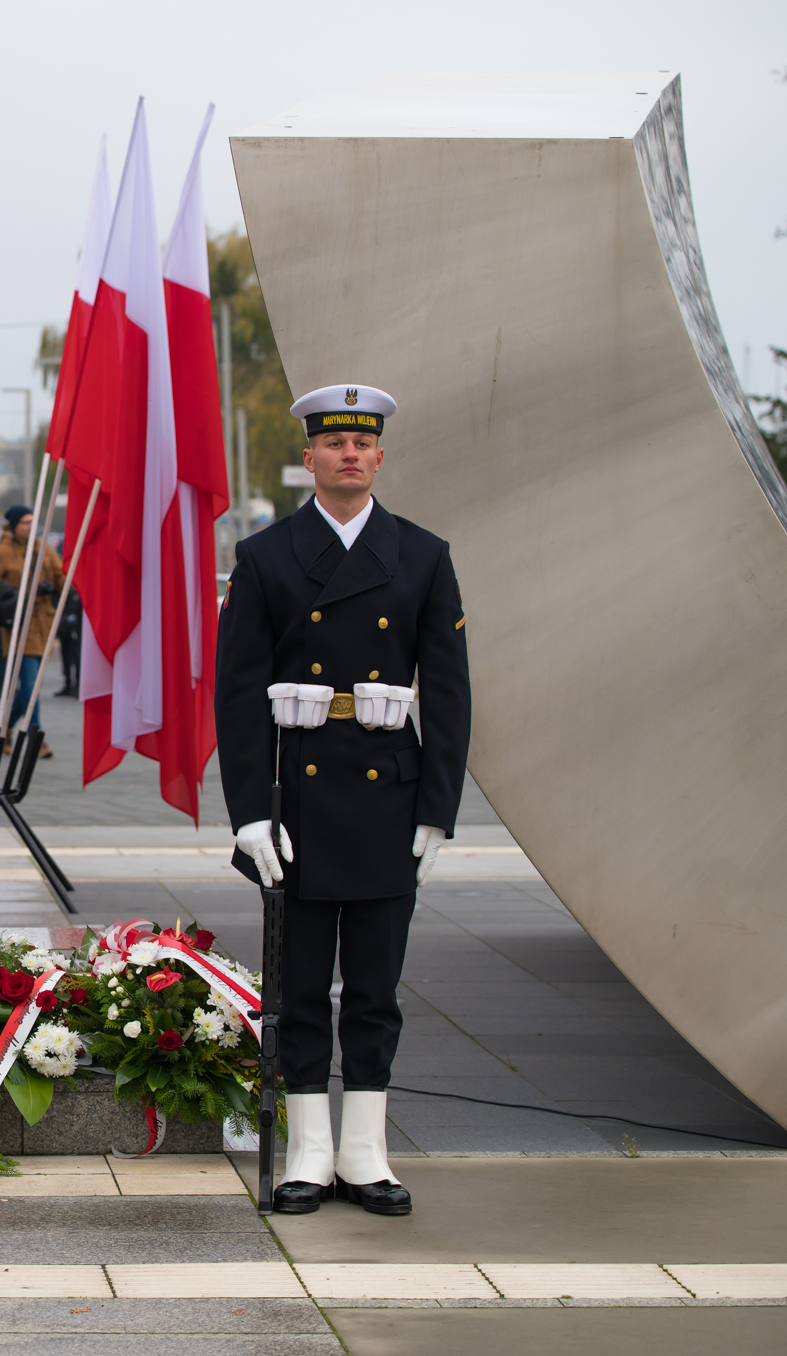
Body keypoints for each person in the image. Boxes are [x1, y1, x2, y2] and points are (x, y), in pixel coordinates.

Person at [215, 383, 470, 1218]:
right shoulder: (266, 557)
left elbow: (450, 692)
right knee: (296, 994)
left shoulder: (425, 556)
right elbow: (239, 694)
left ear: (380, 457)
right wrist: (249, 811)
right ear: (310, 458)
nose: (349, 455)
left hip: (387, 803)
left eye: (363, 444)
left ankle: (365, 1152)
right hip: (301, 805)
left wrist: (438, 807)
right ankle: (308, 1152)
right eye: (334, 443)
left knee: (374, 989)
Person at [0, 503, 64, 756]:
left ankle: (5, 731)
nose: (29, 526)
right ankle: (36, 739)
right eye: (24, 522)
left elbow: (61, 576)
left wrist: (58, 584)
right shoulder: (3, 551)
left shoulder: (45, 548)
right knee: (30, 684)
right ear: (14, 526)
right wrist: (1, 585)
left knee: (30, 684)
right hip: (18, 624)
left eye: (31, 521)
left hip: (42, 623)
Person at [56, 585, 83, 698]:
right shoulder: (63, 586)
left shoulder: (79, 590)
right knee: (66, 655)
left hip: (77, 627)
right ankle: (68, 684)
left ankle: (78, 685)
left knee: (77, 657)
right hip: (65, 626)